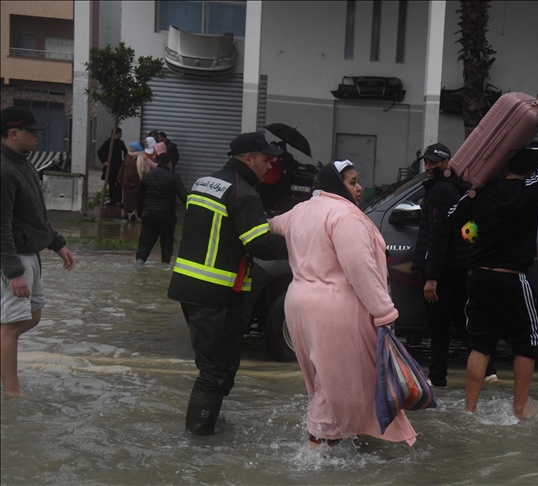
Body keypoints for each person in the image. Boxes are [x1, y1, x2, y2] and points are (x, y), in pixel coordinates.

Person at [269, 160, 417, 449]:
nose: (359, 187)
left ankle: (332, 443)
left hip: (298, 306)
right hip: (334, 310)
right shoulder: (345, 216)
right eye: (351, 181)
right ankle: (317, 454)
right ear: (336, 185)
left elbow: (272, 224)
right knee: (338, 384)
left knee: (328, 380)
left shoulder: (301, 210)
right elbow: (360, 269)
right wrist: (385, 312)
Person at [449, 96, 538, 419]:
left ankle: (469, 410)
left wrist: (472, 222)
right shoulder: (530, 193)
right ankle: (519, 409)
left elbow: (453, 218)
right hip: (511, 278)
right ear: (529, 171)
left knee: (480, 345)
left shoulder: (482, 193)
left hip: (480, 277)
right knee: (526, 343)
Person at [167, 131, 287, 436]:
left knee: (216, 364)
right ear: (247, 159)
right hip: (216, 292)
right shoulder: (243, 192)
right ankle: (199, 433)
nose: (269, 165)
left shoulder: (203, 183)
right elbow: (259, 244)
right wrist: (302, 242)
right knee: (216, 370)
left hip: (190, 286)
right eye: (264, 159)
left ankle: (207, 422)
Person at [0, 106, 76, 397]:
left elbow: (33, 215)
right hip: (15, 257)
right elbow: (1, 226)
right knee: (11, 326)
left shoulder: (23, 162)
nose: (37, 137)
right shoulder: (5, 170)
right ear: (13, 133)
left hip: (30, 254)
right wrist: (13, 272)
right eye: (32, 132)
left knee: (32, 316)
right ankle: (13, 393)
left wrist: (57, 244)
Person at [411, 143, 497, 388]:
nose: (428, 167)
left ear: (447, 164)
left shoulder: (439, 192)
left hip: (443, 272)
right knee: (463, 322)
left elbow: (436, 237)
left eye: (432, 163)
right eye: (425, 162)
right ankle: (488, 372)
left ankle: (437, 379)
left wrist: (431, 277)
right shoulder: (460, 188)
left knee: (439, 328)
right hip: (459, 268)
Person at [135, 153, 188, 265]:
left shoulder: (147, 176)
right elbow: (184, 196)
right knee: (167, 243)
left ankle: (138, 265)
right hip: (166, 216)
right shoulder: (174, 177)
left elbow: (138, 197)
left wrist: (140, 213)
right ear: (169, 164)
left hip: (148, 214)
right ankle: (165, 266)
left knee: (145, 242)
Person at [97, 128, 128, 206]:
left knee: (119, 183)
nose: (121, 135)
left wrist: (125, 162)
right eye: (120, 133)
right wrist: (104, 161)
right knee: (111, 183)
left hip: (118, 166)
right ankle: (113, 200)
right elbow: (100, 152)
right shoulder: (108, 142)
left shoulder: (121, 143)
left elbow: (125, 152)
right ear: (117, 134)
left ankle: (118, 200)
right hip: (110, 167)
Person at [116, 147, 142, 221]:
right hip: (127, 181)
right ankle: (126, 213)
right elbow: (123, 167)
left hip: (137, 180)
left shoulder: (141, 157)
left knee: (135, 198)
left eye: (132, 148)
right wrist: (119, 176)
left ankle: (134, 213)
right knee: (126, 198)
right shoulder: (128, 156)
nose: (131, 149)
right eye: (130, 148)